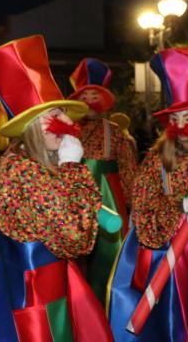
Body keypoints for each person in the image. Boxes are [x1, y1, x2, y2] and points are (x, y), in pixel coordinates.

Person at [0, 35, 113, 342]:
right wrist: (73, 168)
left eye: (65, 114)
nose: (69, 123)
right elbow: (77, 238)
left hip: (53, 289)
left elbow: (82, 215)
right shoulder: (23, 171)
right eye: (56, 116)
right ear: (32, 127)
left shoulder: (37, 163)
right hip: (35, 301)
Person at [108, 47, 188, 341]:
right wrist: (182, 205)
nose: (182, 127)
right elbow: (141, 216)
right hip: (168, 260)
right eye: (175, 119)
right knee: (174, 324)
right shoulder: (154, 163)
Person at [67, 58, 137, 305]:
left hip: (110, 201)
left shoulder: (115, 132)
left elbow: (129, 170)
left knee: (110, 257)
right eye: (86, 96)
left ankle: (109, 307)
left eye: (95, 96)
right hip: (74, 199)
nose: (90, 102)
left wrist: (133, 205)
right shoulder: (67, 131)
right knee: (75, 257)